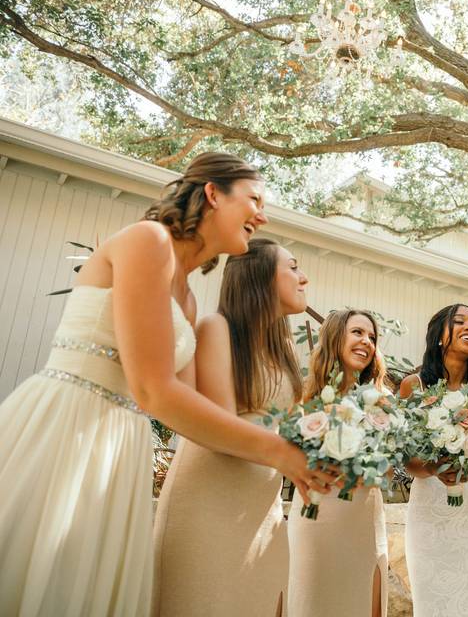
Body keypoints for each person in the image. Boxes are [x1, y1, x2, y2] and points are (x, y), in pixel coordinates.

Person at [0, 152, 329, 616]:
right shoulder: (147, 240)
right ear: (214, 194)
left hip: (120, 448)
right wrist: (278, 451)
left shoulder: (188, 299)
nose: (262, 214)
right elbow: (153, 389)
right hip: (69, 428)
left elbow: (190, 411)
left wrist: (302, 444)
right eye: (254, 199)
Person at [153, 239, 308, 616]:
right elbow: (220, 426)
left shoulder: (283, 349)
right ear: (260, 277)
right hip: (211, 506)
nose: (303, 278)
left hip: (263, 509)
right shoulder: (217, 328)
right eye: (292, 267)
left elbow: (294, 427)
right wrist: (290, 454)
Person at [398, 303, 468, 617]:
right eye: (459, 322)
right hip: (430, 514)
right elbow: (406, 457)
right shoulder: (414, 386)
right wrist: (436, 467)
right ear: (438, 336)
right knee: (431, 603)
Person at [287, 309, 390, 617]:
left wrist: (369, 467)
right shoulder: (303, 393)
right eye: (357, 332)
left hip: (363, 516)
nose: (366, 342)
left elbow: (387, 461)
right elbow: (290, 455)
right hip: (316, 516)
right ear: (334, 338)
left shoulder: (381, 399)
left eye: (372, 337)